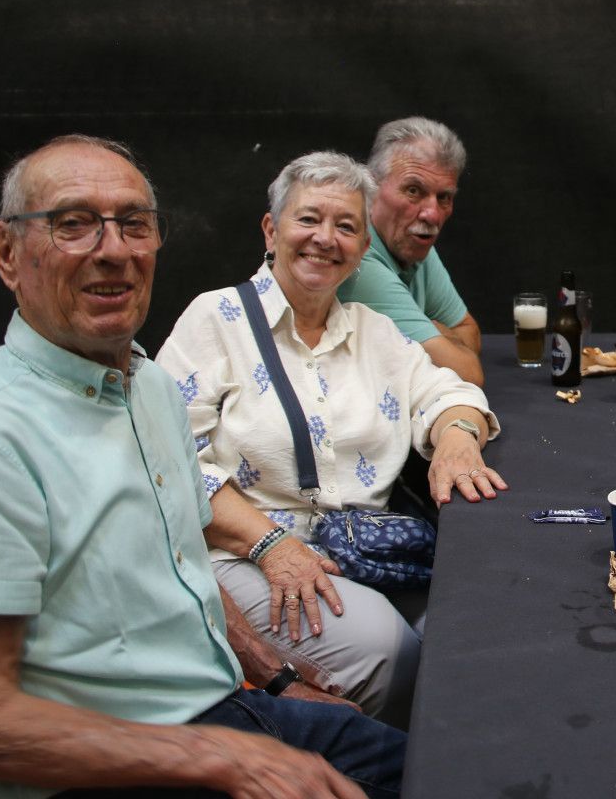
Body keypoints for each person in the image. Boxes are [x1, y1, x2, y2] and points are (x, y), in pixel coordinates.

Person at [0, 135, 404, 799]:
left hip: (222, 713)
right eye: (73, 224)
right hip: (100, 771)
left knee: (445, 765)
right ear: (7, 252)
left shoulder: (148, 387)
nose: (114, 250)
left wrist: (277, 679)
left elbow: (182, 569)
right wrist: (225, 759)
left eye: (134, 224)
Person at [156, 151, 505, 728]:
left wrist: (457, 438)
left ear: (363, 247)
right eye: (308, 219)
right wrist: (272, 546)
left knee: (474, 631)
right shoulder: (215, 319)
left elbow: (450, 390)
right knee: (391, 653)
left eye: (346, 226)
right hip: (243, 555)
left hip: (358, 550)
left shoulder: (373, 331)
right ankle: (370, 766)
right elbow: (168, 462)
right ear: (270, 230)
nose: (325, 238)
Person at [336, 116, 484, 386]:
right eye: (413, 190)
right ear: (371, 187)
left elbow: (470, 332)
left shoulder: (411, 241)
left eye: (444, 197)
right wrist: (439, 332)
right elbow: (468, 373)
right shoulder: (358, 261)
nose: (432, 214)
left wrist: (435, 335)